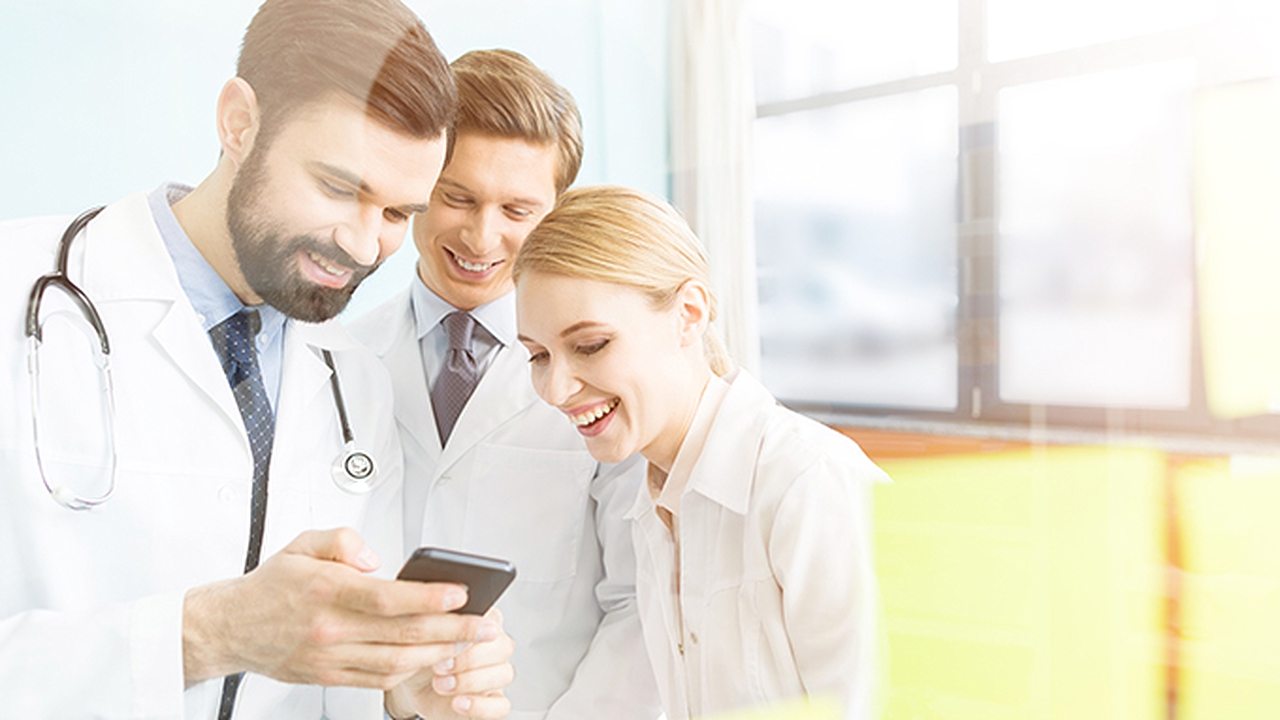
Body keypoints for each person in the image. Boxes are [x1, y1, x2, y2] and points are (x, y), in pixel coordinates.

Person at [0, 1, 515, 718]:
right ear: (239, 123)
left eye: (399, 213)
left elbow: (338, 685)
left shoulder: (356, 384)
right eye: (340, 188)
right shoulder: (16, 289)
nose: (364, 245)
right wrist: (207, 634)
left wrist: (400, 689)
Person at [349, 51, 660, 720]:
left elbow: (638, 600)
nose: (481, 235)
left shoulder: (605, 376)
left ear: (557, 211)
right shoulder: (339, 360)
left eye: (517, 209)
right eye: (456, 197)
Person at [512, 185, 887, 720]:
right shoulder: (652, 506)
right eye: (538, 356)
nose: (555, 389)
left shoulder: (808, 483)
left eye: (590, 345)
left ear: (689, 313)